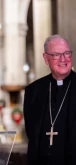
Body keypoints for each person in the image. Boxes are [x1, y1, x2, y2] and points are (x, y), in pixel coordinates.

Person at [24, 34, 76, 165]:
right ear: (46, 58)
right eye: (56, 55)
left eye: (67, 53)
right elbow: (31, 133)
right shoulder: (33, 91)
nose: (63, 59)